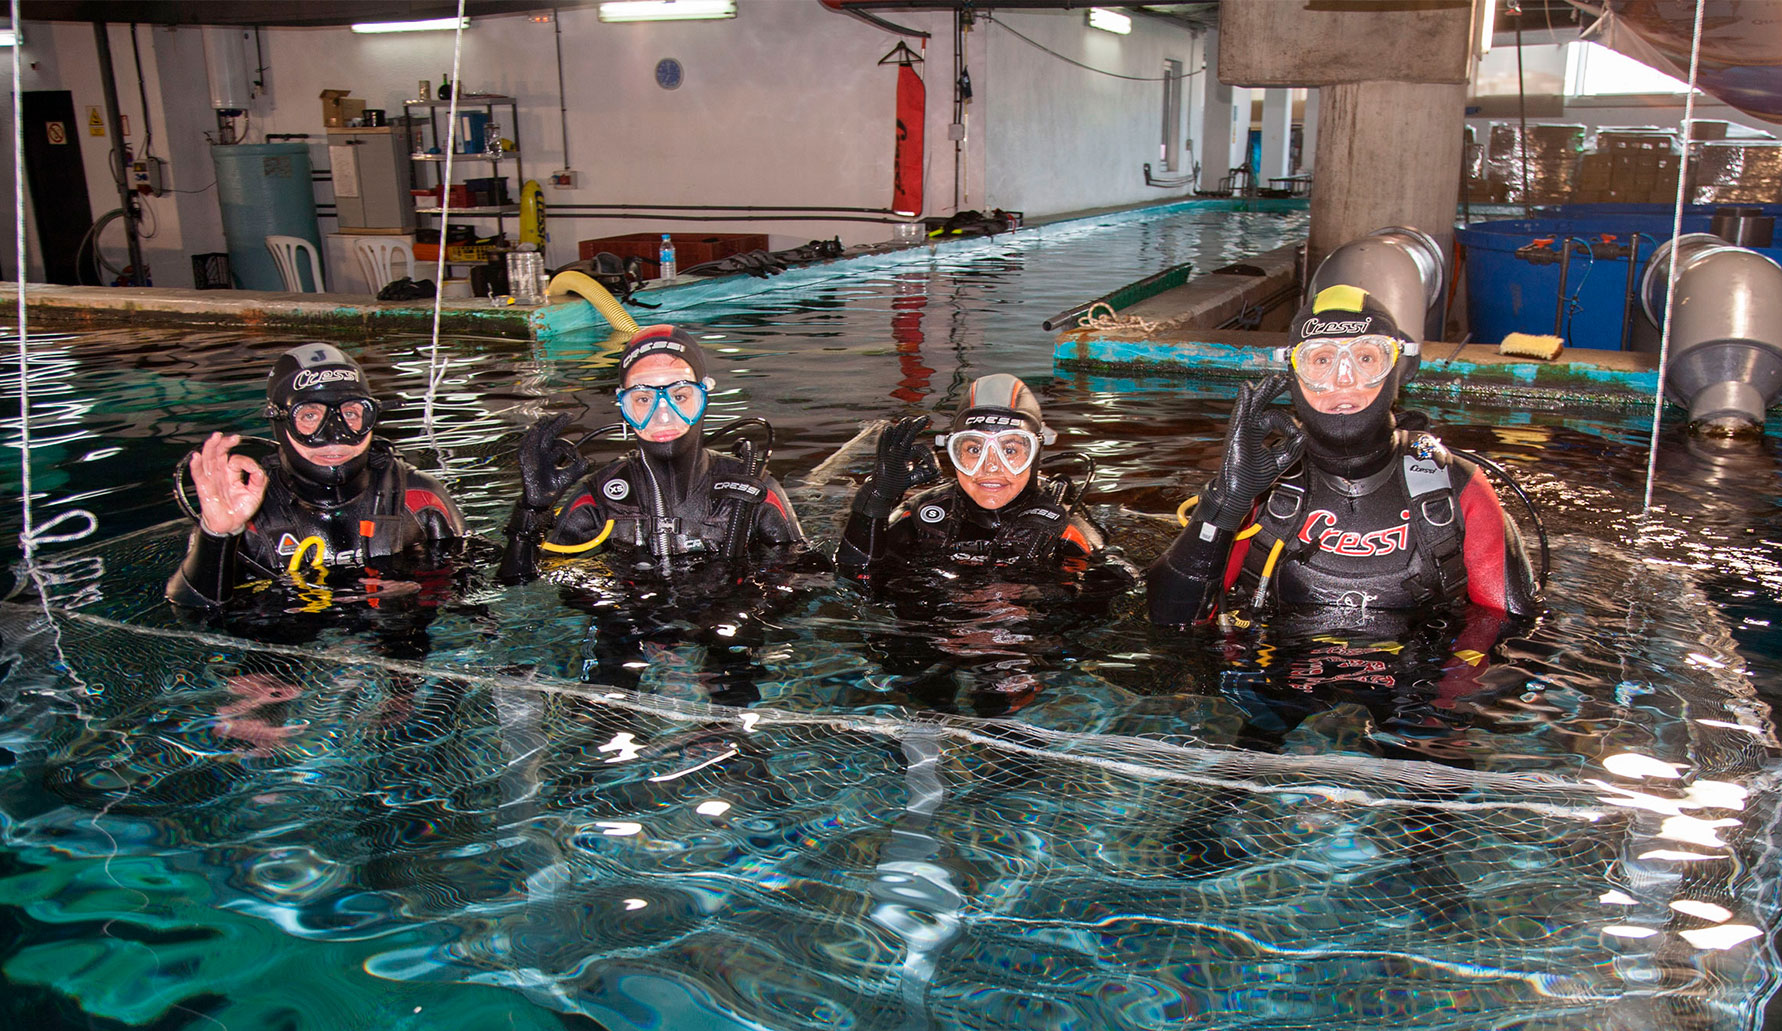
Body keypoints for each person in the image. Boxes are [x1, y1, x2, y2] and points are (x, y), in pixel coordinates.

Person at [1147, 284, 1541, 626]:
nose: (1344, 379)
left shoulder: (1458, 487)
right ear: (1294, 374)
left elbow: (1511, 633)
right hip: (1272, 684)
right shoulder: (1259, 486)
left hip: (1417, 689)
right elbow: (1170, 622)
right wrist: (1222, 507)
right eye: (1321, 360)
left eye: (1366, 358)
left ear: (1398, 368)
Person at [498, 323, 807, 583]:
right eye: (643, 399)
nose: (663, 415)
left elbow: (802, 578)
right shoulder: (600, 498)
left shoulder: (752, 489)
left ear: (703, 397)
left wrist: (740, 609)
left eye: (680, 395)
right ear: (624, 406)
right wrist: (530, 513)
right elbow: (521, 586)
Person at [166, 344, 467, 609]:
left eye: (351, 414)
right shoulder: (246, 509)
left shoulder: (419, 496)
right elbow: (193, 612)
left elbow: (473, 590)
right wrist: (217, 535)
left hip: (396, 635)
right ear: (280, 423)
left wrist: (417, 591)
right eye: (310, 416)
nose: (335, 436)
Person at [836, 373, 1111, 580]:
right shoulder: (922, 518)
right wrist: (873, 503)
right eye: (974, 449)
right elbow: (854, 580)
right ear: (953, 452)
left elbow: (1099, 609)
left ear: (1035, 454)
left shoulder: (1063, 531)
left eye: (1010, 450)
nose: (991, 466)